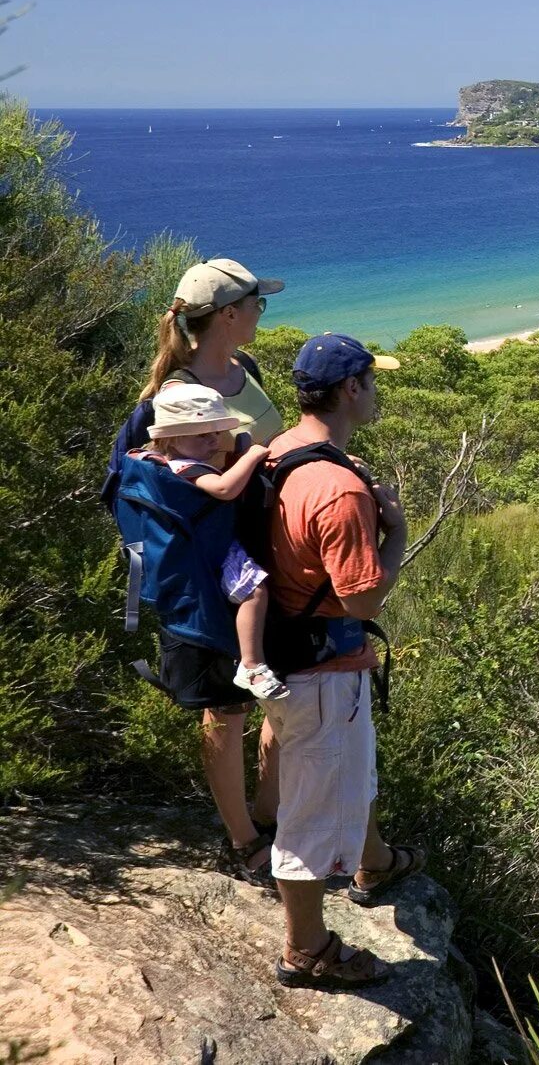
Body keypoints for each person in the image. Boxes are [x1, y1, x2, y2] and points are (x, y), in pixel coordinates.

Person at [106, 257, 288, 886]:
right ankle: (244, 839)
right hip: (209, 577)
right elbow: (130, 490)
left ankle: (269, 816)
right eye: (257, 304)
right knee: (225, 710)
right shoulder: (166, 398)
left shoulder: (248, 371)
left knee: (278, 697)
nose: (264, 313)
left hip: (265, 559)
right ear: (230, 314)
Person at [263, 333, 424, 991]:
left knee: (349, 776)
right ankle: (307, 951)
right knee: (310, 814)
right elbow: (361, 597)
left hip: (284, 656)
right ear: (351, 389)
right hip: (323, 675)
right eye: (373, 381)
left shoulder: (280, 452)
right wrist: (399, 535)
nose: (378, 392)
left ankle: (374, 863)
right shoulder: (338, 489)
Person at [138, 382, 288, 700]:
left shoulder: (158, 461)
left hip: (197, 546)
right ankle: (252, 664)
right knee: (254, 592)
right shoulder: (186, 467)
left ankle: (249, 660)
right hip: (214, 549)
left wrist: (242, 447)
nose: (213, 441)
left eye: (215, 432)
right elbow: (223, 489)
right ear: (172, 437)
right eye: (202, 434)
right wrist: (254, 455)